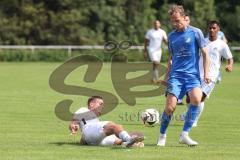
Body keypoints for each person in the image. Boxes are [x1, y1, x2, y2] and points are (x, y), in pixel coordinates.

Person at [157, 5, 210, 147]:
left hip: (192, 75)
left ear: (184, 18)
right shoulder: (171, 36)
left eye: (178, 20)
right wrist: (167, 76)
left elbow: (205, 54)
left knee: (197, 100)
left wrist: (206, 73)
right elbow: (171, 58)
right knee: (170, 108)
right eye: (173, 21)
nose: (176, 23)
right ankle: (162, 135)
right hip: (176, 76)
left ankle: (184, 135)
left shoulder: (196, 32)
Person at [189, 20, 233, 127]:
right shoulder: (202, 41)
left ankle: (193, 119)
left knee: (200, 97)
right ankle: (190, 115)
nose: (211, 30)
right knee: (191, 99)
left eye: (214, 28)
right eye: (210, 28)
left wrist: (230, 65)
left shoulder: (222, 44)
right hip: (198, 74)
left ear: (218, 30)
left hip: (212, 76)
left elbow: (230, 57)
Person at [69, 96, 144, 147]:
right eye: (100, 104)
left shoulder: (96, 121)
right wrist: (73, 125)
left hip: (97, 141)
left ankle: (129, 141)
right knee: (112, 125)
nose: (103, 106)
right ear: (91, 104)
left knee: (136, 133)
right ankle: (129, 140)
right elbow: (76, 119)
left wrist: (136, 140)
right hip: (89, 131)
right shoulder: (84, 110)